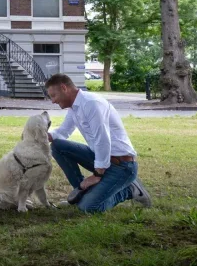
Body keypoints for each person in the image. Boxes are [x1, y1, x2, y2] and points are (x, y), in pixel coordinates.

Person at [44, 73, 152, 213]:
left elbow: (103, 139)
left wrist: (97, 174)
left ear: (64, 88)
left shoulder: (91, 103)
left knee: (88, 208)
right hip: (102, 158)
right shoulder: (74, 106)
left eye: (53, 96)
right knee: (58, 146)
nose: (53, 101)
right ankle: (81, 194)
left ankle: (130, 190)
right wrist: (42, 136)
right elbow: (64, 131)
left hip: (122, 165)